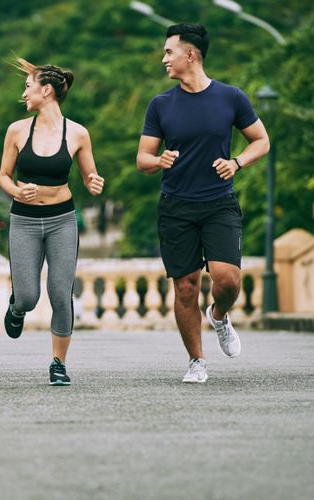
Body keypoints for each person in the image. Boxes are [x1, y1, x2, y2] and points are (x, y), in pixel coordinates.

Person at [136, 23, 270, 383]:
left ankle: (220, 315)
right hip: (176, 205)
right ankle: (197, 361)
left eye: (169, 51)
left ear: (190, 54)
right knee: (185, 287)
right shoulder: (161, 104)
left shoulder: (231, 97)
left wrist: (238, 162)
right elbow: (143, 160)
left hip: (218, 203)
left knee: (227, 280)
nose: (164, 58)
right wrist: (159, 161)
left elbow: (261, 141)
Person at [0, 57, 104, 386]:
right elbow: (3, 176)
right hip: (25, 221)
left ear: (46, 91)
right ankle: (16, 309)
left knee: (61, 294)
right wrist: (16, 190)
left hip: (61, 219)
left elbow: (89, 175)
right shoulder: (17, 130)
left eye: (28, 87)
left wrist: (94, 182)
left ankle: (58, 363)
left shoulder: (77, 133)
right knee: (28, 296)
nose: (23, 93)